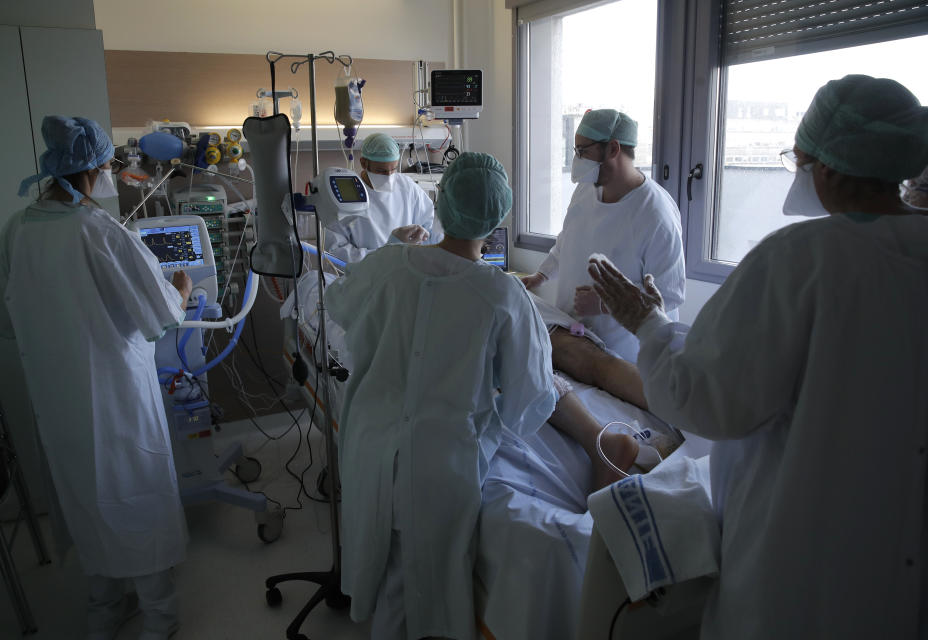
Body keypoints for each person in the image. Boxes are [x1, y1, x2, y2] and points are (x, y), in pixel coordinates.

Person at [586, 75, 928, 639]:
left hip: (804, 573)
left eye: (800, 158)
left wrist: (647, 325)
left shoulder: (800, 262)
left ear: (832, 167)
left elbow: (704, 403)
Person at [325, 152, 636, 640]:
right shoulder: (502, 296)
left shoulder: (389, 265)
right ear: (498, 220)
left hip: (369, 446)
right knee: (420, 593)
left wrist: (390, 250)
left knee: (388, 578)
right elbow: (528, 403)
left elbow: (339, 305)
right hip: (439, 468)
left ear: (440, 202)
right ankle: (599, 435)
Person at [0, 116, 191, 640]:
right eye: (107, 168)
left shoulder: (19, 229)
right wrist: (183, 287)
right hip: (115, 392)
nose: (109, 175)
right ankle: (158, 618)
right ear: (94, 171)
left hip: (57, 397)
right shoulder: (99, 232)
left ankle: (104, 607)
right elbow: (160, 313)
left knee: (84, 495)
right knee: (133, 492)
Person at [520, 109, 685, 363]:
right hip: (574, 337)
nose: (577, 159)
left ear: (613, 149)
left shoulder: (655, 213)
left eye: (582, 151)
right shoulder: (587, 189)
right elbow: (567, 240)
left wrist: (606, 304)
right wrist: (541, 275)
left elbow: (670, 294)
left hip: (623, 354)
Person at [323, 132, 442, 264]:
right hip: (366, 276)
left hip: (406, 269)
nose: (389, 176)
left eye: (394, 169)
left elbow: (429, 227)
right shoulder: (347, 194)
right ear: (363, 163)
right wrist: (381, 258)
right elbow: (336, 250)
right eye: (381, 171)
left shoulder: (407, 187)